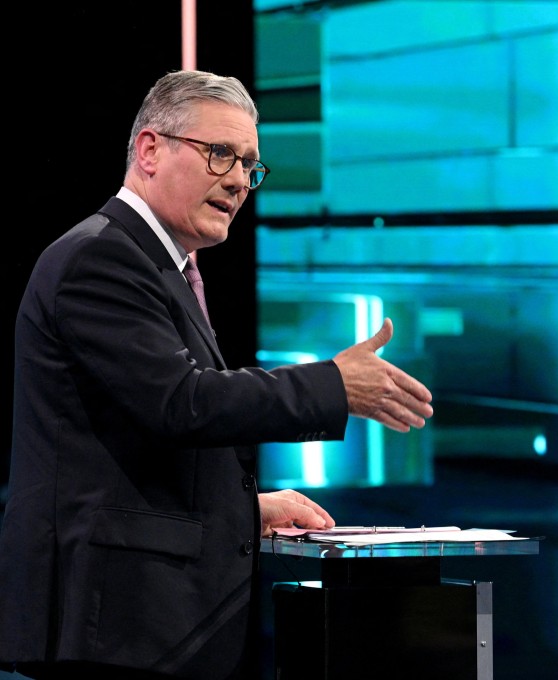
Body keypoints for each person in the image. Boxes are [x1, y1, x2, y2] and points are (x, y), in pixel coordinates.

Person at [0, 70, 434, 680]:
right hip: (111, 626)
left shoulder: (160, 267)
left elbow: (129, 450)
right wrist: (332, 384)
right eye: (221, 154)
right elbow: (180, 403)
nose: (237, 180)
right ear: (150, 150)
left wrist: (244, 510)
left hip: (144, 628)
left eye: (250, 166)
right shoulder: (100, 258)